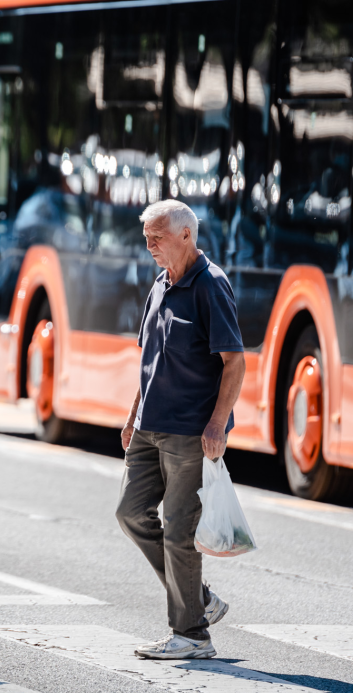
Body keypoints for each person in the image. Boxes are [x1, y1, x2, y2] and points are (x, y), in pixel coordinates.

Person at [115, 199, 245, 660]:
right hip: (150, 427)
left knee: (179, 530)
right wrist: (133, 417)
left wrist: (216, 424)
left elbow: (234, 362)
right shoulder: (160, 284)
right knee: (130, 513)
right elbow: (149, 361)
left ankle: (191, 634)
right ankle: (200, 599)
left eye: (157, 237)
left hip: (191, 430)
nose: (149, 245)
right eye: (146, 237)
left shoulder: (211, 285)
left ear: (186, 235)